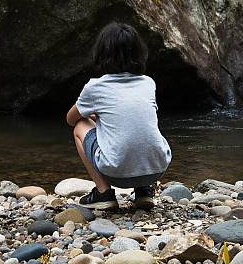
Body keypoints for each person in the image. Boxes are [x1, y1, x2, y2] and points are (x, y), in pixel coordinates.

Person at [66, 22, 171, 210]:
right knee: (141, 124)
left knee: (80, 126)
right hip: (157, 169)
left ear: (101, 54)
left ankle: (103, 193)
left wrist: (93, 117)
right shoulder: (148, 83)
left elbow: (70, 119)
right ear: (140, 53)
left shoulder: (95, 87)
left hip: (116, 173)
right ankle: (143, 192)